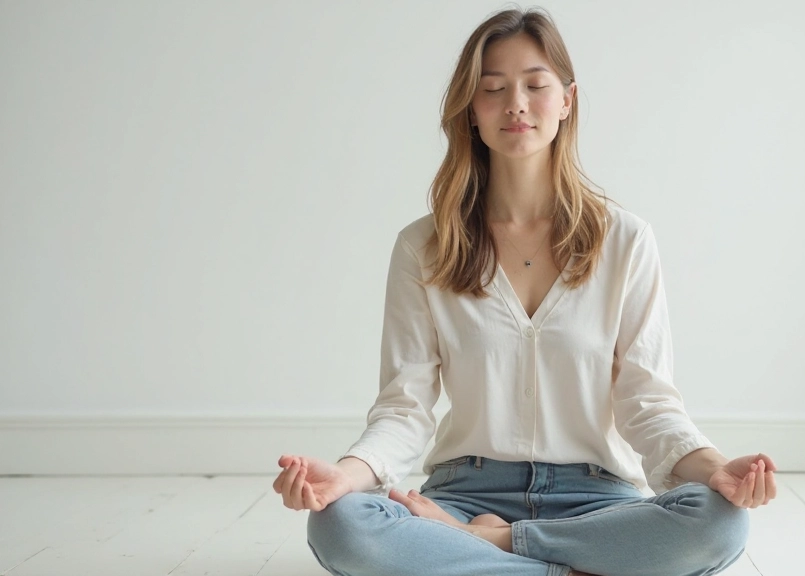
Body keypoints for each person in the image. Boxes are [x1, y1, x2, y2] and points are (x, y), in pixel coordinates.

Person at [273, 7, 777, 576]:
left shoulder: (626, 240)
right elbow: (404, 407)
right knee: (340, 524)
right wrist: (347, 474)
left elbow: (648, 401)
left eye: (536, 85)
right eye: (493, 88)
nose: (516, 103)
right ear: (471, 112)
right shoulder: (425, 247)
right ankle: (579, 565)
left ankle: (492, 549)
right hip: (465, 491)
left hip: (595, 499)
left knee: (720, 520)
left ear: (567, 101)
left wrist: (713, 469)